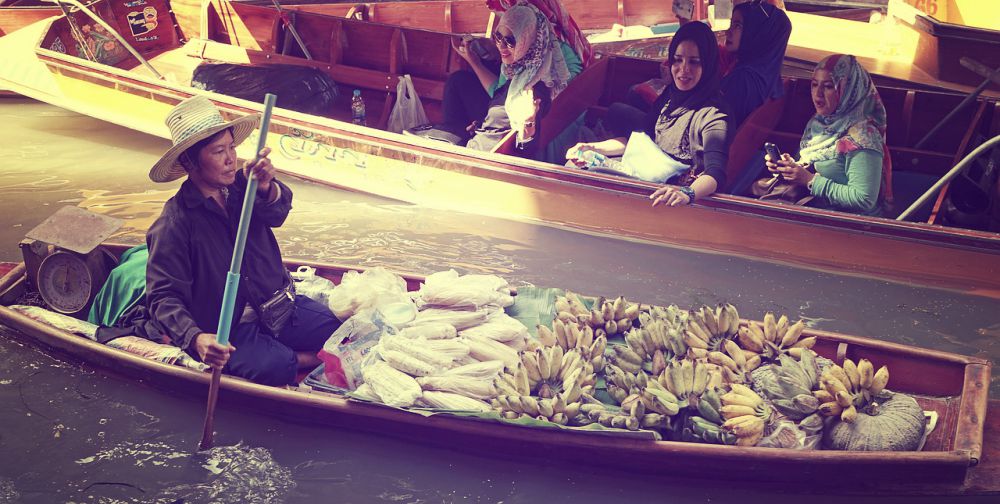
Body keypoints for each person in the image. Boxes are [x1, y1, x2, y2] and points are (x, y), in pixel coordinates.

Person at [138, 95, 340, 386]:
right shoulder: (175, 223)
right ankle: (297, 359)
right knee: (277, 365)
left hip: (277, 308)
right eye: (219, 151)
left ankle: (291, 354)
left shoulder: (244, 186)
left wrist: (268, 187)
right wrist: (196, 338)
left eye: (232, 148)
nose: (231, 159)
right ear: (190, 162)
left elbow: (278, 214)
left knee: (337, 331)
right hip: (231, 326)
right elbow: (162, 297)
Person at [566, 21, 730, 207]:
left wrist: (687, 194)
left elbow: (715, 173)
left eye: (694, 62)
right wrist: (593, 148)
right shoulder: (671, 96)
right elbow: (638, 139)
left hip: (665, 192)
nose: (683, 69)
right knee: (576, 164)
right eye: (677, 59)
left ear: (707, 65)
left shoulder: (714, 115)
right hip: (643, 171)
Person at [441, 2, 577, 153]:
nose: (502, 46)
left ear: (527, 40)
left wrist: (528, 124)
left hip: (481, 159)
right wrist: (482, 126)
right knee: (457, 82)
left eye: (510, 41)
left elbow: (526, 150)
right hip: (477, 145)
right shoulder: (519, 71)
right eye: (498, 37)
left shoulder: (532, 89)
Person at [763, 54, 888, 216]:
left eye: (828, 86)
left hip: (848, 224)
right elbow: (818, 164)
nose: (818, 94)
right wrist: (791, 167)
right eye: (814, 85)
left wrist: (810, 181)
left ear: (849, 90)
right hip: (814, 209)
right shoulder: (821, 121)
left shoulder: (863, 136)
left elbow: (864, 200)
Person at [720, 0, 791, 128]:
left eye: (737, 26)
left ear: (758, 33)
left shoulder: (743, 81)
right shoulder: (769, 75)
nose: (727, 32)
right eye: (731, 24)